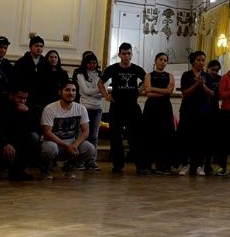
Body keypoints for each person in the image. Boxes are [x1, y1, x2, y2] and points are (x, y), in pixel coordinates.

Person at [98, 42, 146, 174]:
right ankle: (118, 165)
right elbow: (100, 82)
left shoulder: (137, 69)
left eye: (129, 53)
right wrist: (106, 95)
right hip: (117, 107)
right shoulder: (112, 68)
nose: (126, 56)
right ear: (119, 54)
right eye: (124, 53)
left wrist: (139, 90)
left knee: (135, 137)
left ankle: (140, 165)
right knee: (115, 137)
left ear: (131, 54)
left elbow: (148, 81)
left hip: (132, 107)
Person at [39, 80, 95, 180]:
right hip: (52, 142)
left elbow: (86, 131)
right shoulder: (50, 108)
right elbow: (47, 132)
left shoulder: (81, 108)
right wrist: (67, 146)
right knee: (49, 148)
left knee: (89, 148)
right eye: (67, 90)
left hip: (71, 142)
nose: (71, 93)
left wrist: (74, 145)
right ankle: (45, 170)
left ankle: (69, 168)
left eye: (74, 90)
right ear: (60, 92)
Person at [0, 86, 39, 180]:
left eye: (25, 98)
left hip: (15, 138)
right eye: (20, 98)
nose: (23, 101)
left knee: (30, 136)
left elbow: (34, 125)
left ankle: (18, 170)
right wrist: (5, 143)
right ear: (11, 95)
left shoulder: (26, 106)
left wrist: (27, 112)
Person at [178, 53, 220, 176]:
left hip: (203, 112)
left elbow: (212, 94)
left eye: (203, 60)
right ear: (193, 61)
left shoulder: (207, 76)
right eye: (199, 60)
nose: (201, 62)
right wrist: (196, 84)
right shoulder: (187, 75)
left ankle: (199, 166)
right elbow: (185, 93)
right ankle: (185, 164)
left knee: (201, 139)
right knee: (186, 138)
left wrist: (203, 85)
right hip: (187, 111)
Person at [140, 52, 175, 175]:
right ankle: (148, 164)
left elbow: (169, 92)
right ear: (155, 61)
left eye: (165, 60)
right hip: (152, 107)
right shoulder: (148, 75)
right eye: (161, 59)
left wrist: (153, 89)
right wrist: (163, 92)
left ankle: (163, 165)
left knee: (164, 135)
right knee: (150, 135)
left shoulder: (170, 75)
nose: (163, 62)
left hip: (165, 108)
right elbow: (148, 93)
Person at [73, 52, 103, 170]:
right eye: (90, 63)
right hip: (84, 107)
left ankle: (91, 161)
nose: (92, 65)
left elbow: (103, 92)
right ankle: (79, 161)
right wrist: (99, 89)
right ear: (85, 64)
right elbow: (85, 91)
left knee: (94, 136)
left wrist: (97, 90)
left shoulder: (100, 75)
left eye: (94, 63)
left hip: (97, 108)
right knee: (82, 135)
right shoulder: (80, 75)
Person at [14, 35, 55, 111]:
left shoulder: (46, 63)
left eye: (41, 46)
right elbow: (16, 81)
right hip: (26, 99)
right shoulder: (21, 62)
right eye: (36, 46)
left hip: (42, 100)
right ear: (30, 47)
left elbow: (49, 82)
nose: (39, 48)